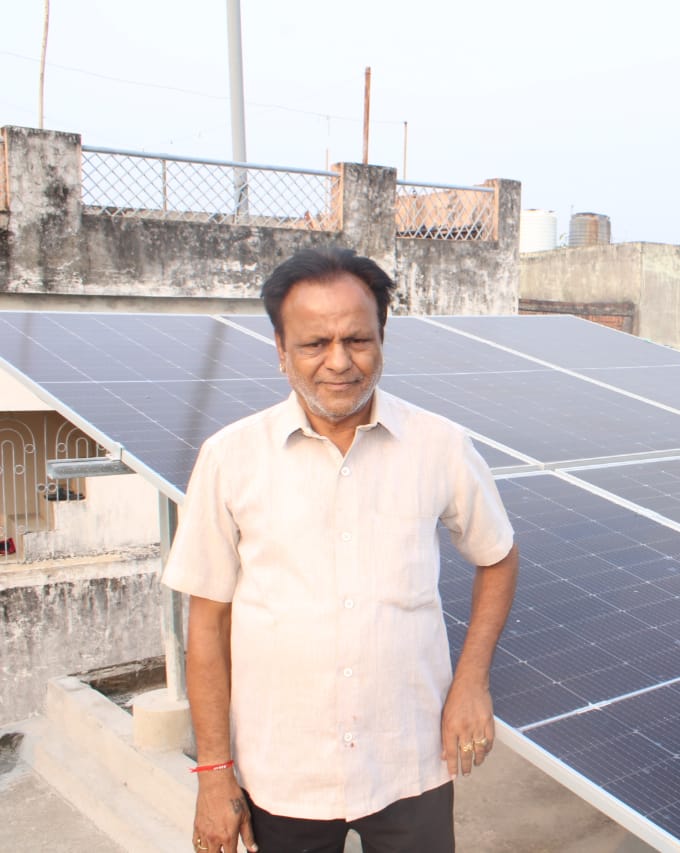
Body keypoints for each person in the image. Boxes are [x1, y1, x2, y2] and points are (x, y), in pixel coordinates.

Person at [163, 247, 519, 853]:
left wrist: (471, 681)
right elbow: (208, 623)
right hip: (283, 773)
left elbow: (498, 556)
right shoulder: (230, 459)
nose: (339, 362)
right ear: (280, 350)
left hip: (411, 758)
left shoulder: (438, 446)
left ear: (382, 340)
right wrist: (214, 772)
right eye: (314, 343)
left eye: (357, 340)